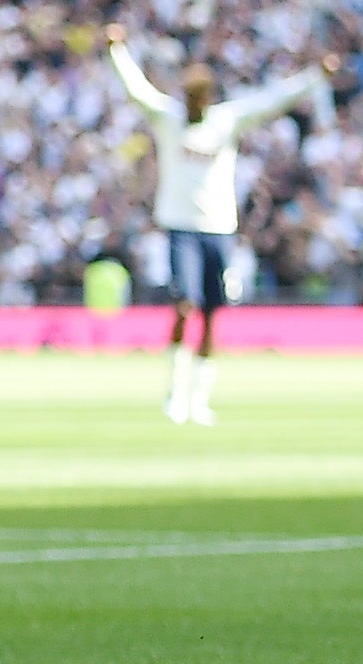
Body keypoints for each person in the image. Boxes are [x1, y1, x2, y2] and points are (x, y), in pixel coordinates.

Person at [105, 25, 331, 423]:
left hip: (219, 227)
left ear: (207, 99)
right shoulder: (169, 118)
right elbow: (136, 89)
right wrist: (117, 50)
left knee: (211, 313)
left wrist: (317, 77)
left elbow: (274, 99)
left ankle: (200, 398)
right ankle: (175, 393)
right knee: (184, 304)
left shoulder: (226, 121)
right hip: (180, 226)